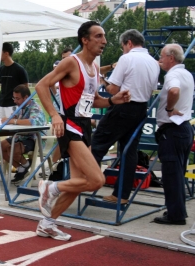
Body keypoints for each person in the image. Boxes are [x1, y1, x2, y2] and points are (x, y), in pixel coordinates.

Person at [34, 21, 131, 241]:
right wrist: (54, 114)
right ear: (84, 40)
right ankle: (50, 187)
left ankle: (47, 224)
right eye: (98, 36)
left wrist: (113, 100)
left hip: (84, 126)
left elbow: (93, 100)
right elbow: (41, 85)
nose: (104, 41)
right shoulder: (71, 63)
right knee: (97, 180)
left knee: (78, 185)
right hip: (69, 126)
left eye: (104, 36)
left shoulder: (95, 69)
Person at [91, 29, 160, 204]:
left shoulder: (127, 58)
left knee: (97, 144)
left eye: (123, 47)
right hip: (141, 108)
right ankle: (121, 195)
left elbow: (113, 90)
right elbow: (151, 89)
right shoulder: (153, 62)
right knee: (129, 151)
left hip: (123, 107)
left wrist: (103, 82)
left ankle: (83, 183)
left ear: (128, 43)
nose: (123, 50)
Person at [153, 44, 194, 225]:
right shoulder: (186, 73)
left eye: (162, 56)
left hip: (173, 129)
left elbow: (174, 90)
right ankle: (177, 211)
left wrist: (169, 108)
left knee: (171, 174)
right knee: (177, 173)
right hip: (184, 128)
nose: (160, 59)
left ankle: (175, 215)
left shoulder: (173, 75)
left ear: (171, 57)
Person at [0, 84, 46, 184]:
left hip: (34, 138)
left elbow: (32, 122)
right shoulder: (20, 108)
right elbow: (12, 119)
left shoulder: (35, 108)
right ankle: (23, 167)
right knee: (0, 147)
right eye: (14, 98)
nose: (15, 101)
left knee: (14, 149)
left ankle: (24, 166)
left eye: (18, 98)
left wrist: (13, 121)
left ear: (26, 97)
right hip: (20, 136)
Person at [0, 42, 29, 118]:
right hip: (1, 104)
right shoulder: (1, 69)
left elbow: (25, 87)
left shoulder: (19, 69)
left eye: (0, 52)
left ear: (6, 53)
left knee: (12, 127)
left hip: (13, 104)